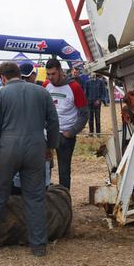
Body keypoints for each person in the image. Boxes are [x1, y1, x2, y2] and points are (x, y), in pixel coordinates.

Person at [0, 62, 60, 256]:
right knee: (35, 196)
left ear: (2, 78)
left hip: (7, 149)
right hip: (35, 147)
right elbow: (53, 122)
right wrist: (50, 147)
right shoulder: (42, 93)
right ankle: (38, 245)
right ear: (19, 74)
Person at [44, 59, 88, 189]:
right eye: (48, 74)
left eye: (53, 74)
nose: (50, 77)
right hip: (48, 134)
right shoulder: (46, 85)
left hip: (65, 135)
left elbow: (84, 114)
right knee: (45, 168)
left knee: (64, 171)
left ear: (60, 71)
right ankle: (46, 197)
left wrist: (71, 132)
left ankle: (64, 199)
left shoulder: (74, 87)